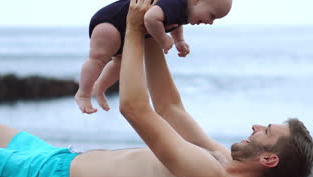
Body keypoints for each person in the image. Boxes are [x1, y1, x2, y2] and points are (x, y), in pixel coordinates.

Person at [0, 0, 313, 177]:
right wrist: (148, 30)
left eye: (266, 132)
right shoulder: (220, 159)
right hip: (57, 158)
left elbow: (136, 108)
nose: (255, 126)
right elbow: (170, 108)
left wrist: (129, 30)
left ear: (269, 159)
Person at [75, 0, 233, 114]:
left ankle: (100, 88)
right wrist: (163, 39)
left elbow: (176, 25)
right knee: (98, 59)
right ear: (197, 1)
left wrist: (179, 40)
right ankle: (83, 93)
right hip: (111, 22)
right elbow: (151, 18)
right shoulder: (176, 3)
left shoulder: (185, 12)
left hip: (128, 30)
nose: (211, 22)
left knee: (119, 63)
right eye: (212, 15)